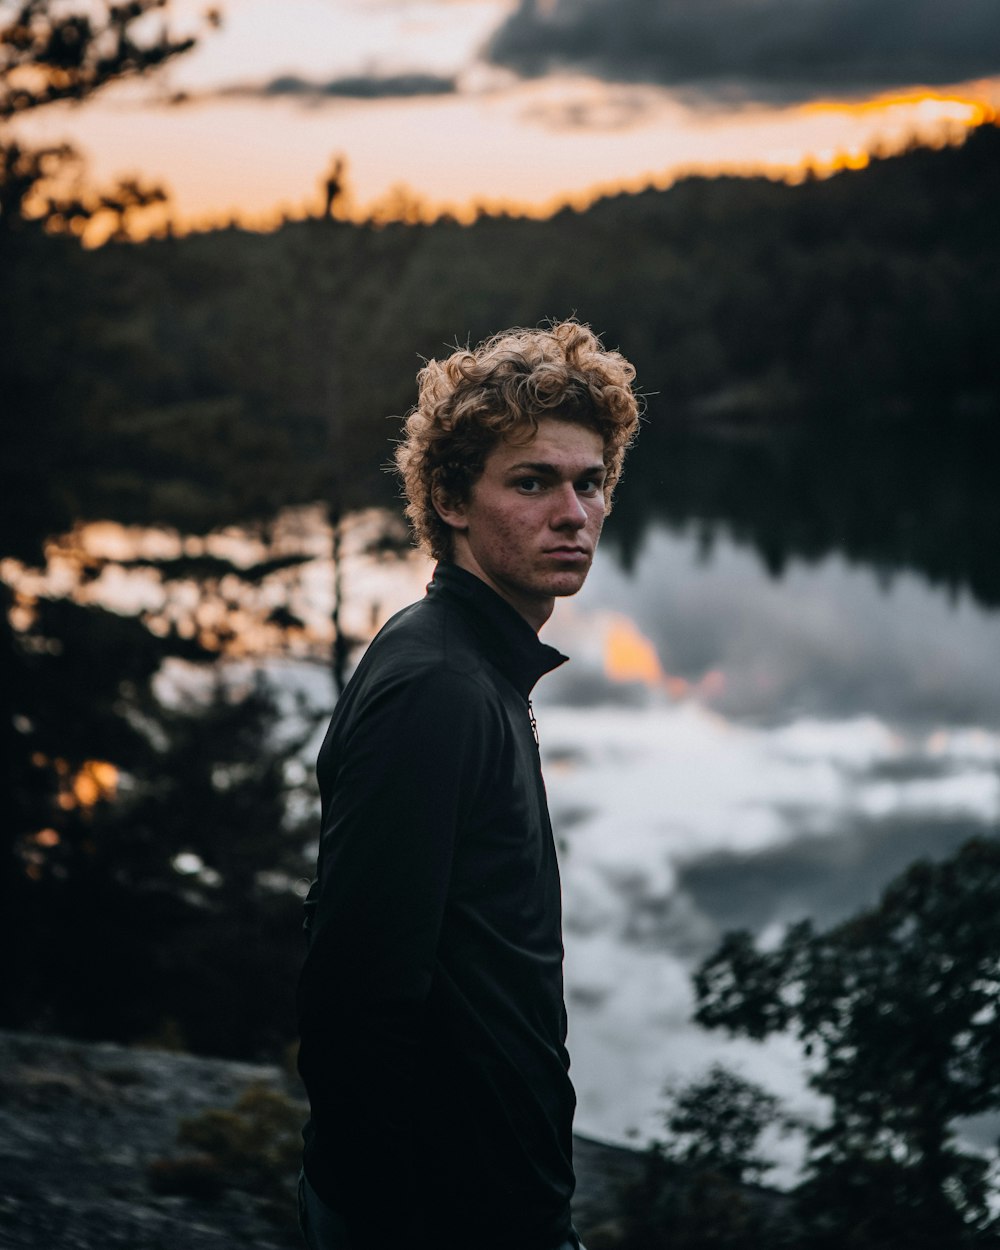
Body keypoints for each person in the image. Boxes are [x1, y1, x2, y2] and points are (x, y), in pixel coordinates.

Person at [296, 320, 640, 1250]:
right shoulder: (439, 688)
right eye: (531, 483)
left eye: (590, 482)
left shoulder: (476, 667)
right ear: (450, 498)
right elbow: (355, 998)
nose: (572, 513)